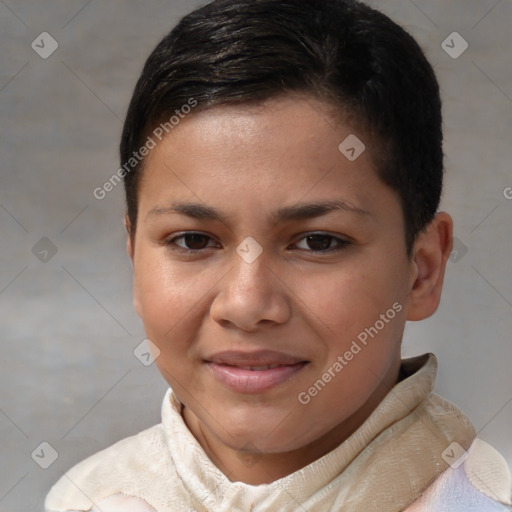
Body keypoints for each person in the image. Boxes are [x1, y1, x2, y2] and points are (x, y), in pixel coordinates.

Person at [45, 0, 512, 510]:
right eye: (193, 241)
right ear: (136, 263)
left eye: (317, 241)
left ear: (422, 270)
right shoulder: (85, 498)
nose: (246, 305)